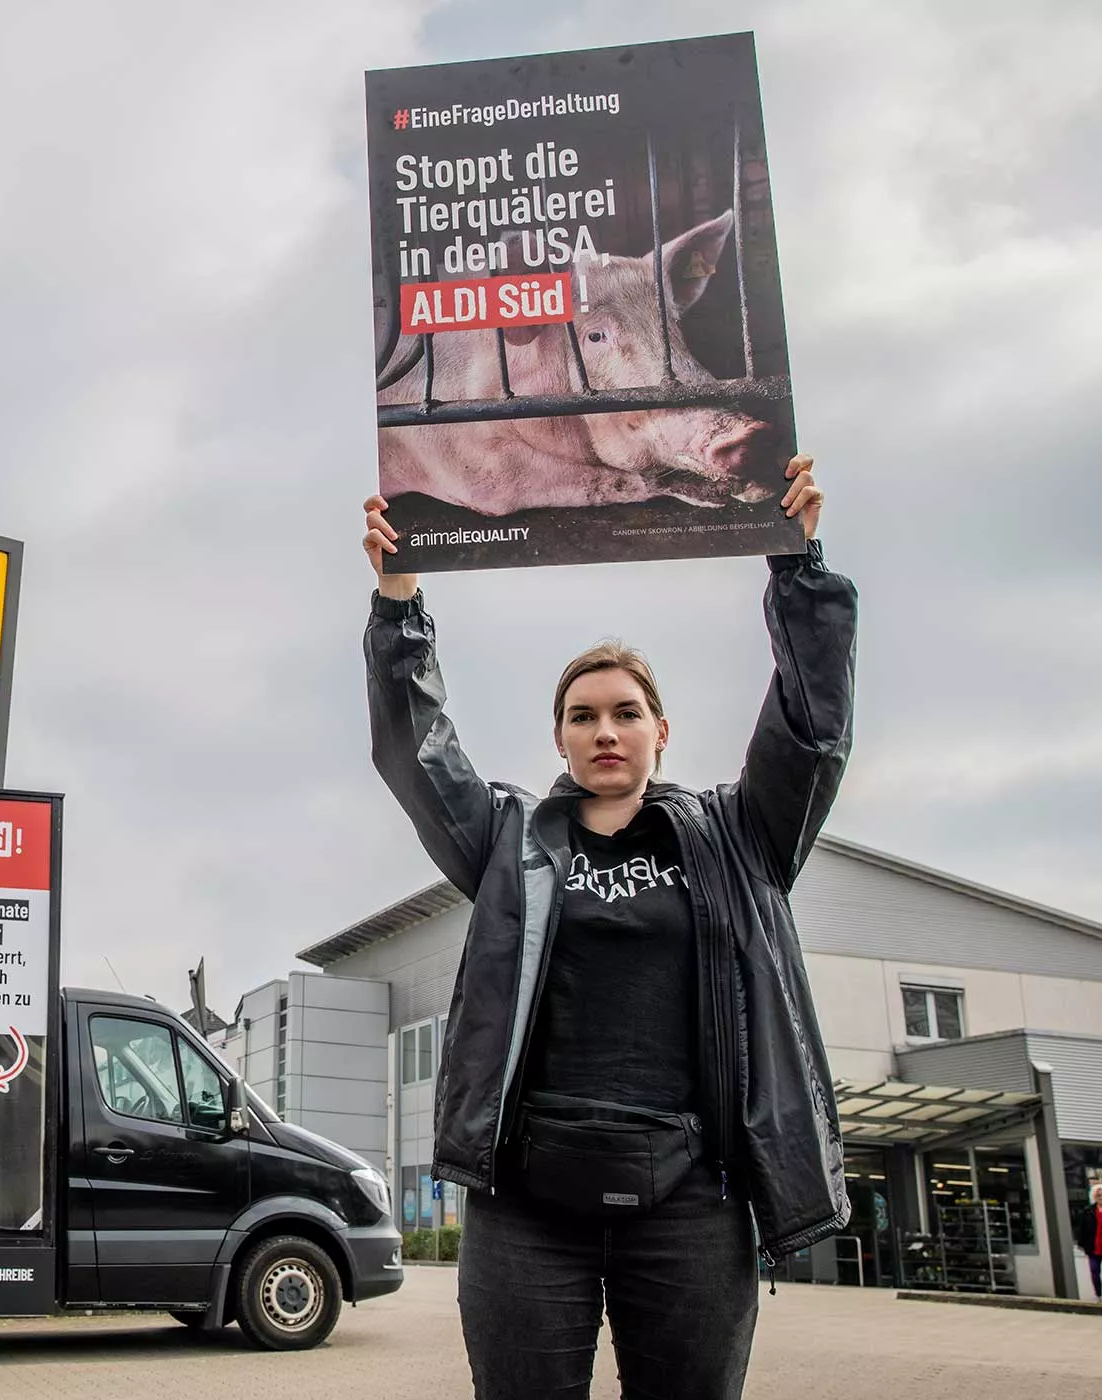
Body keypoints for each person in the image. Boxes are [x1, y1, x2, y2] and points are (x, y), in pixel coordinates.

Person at [362, 456, 857, 1400]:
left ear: (660, 731)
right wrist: (398, 600)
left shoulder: (740, 839)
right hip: (525, 1208)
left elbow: (811, 730)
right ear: (559, 739)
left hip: (692, 1205)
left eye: (626, 713)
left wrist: (799, 566)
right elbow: (416, 754)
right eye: (582, 716)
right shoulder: (510, 842)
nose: (605, 731)